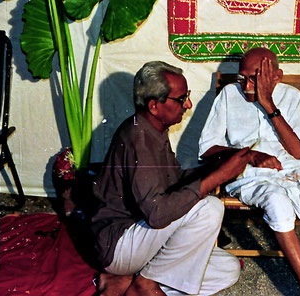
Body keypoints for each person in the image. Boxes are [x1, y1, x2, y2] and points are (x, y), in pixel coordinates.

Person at [90, 61, 253, 296]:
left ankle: (131, 281)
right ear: (154, 105)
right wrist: (217, 177)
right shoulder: (137, 137)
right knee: (209, 208)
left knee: (227, 269)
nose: (188, 104)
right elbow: (157, 214)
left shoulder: (154, 128)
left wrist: (221, 165)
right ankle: (143, 285)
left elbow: (175, 180)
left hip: (145, 242)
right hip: (120, 243)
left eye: (187, 96)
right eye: (181, 99)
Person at [198, 48, 300, 296]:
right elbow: (208, 148)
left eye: (255, 78)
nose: (246, 85)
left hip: (295, 168)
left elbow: (298, 153)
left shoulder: (293, 97)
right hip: (250, 173)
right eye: (243, 78)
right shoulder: (230, 95)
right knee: (277, 203)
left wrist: (268, 103)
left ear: (276, 76)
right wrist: (248, 154)